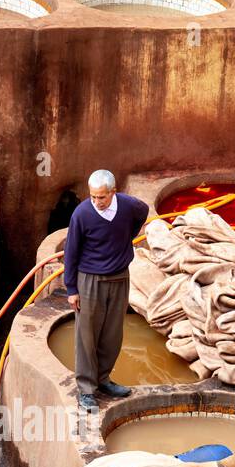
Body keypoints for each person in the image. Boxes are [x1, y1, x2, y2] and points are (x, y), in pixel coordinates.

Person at [63, 169, 150, 412]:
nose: (96, 202)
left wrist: (126, 238)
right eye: (92, 196)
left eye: (101, 197)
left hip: (120, 277)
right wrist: (72, 288)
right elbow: (71, 252)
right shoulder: (82, 214)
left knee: (112, 333)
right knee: (87, 335)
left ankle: (104, 380)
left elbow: (143, 212)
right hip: (90, 279)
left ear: (113, 192)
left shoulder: (129, 206)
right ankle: (87, 389)